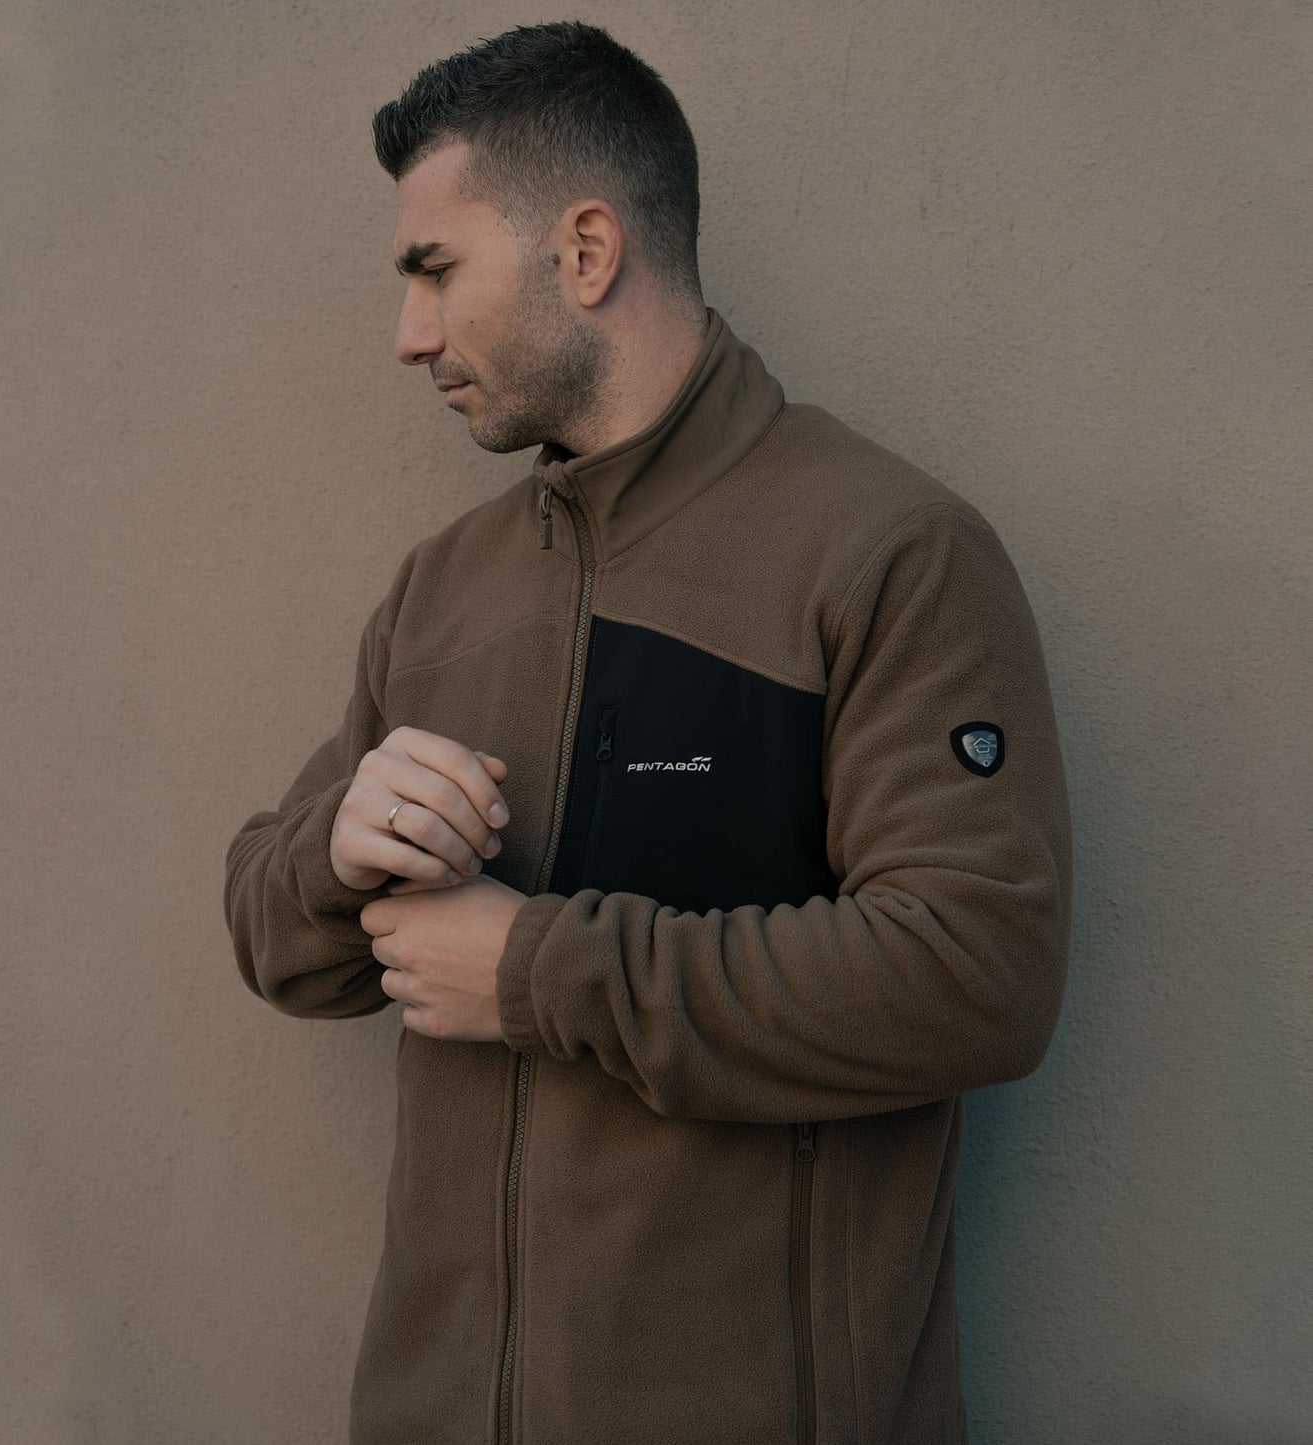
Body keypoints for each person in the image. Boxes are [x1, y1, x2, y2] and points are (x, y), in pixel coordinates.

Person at [222, 20, 1073, 1445]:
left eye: (434, 270)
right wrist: (333, 849)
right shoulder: (445, 588)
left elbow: (977, 972)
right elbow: (276, 937)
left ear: (586, 251)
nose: (409, 334)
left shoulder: (885, 551)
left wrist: (538, 970)